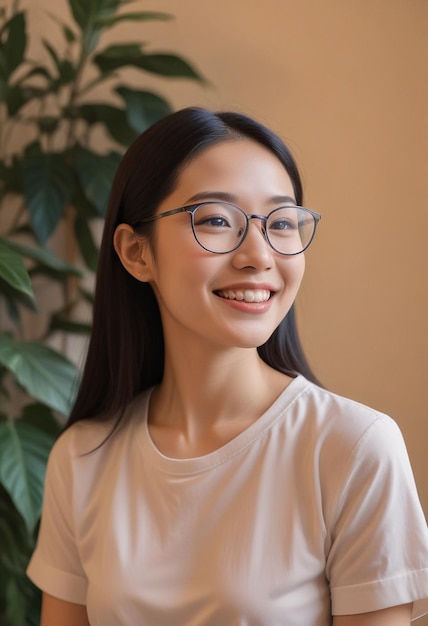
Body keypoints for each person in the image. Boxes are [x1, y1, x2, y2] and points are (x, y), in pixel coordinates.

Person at [27, 107, 428, 626]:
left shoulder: (353, 449)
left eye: (281, 223)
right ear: (135, 252)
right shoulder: (82, 458)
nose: (258, 255)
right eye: (216, 220)